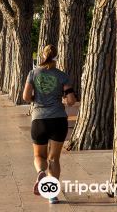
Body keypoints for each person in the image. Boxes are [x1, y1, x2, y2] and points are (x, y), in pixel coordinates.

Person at [22, 44, 76, 204]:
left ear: (42, 55)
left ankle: (40, 173)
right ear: (56, 56)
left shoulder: (33, 73)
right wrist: (64, 100)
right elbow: (71, 100)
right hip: (58, 119)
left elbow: (26, 96)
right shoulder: (62, 76)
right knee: (54, 159)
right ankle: (52, 195)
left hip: (39, 120)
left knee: (39, 156)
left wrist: (36, 100)